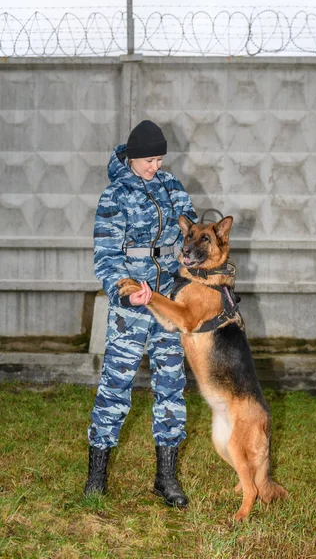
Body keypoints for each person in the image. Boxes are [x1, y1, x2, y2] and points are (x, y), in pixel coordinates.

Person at [84, 120, 197, 508]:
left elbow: (190, 231)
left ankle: (165, 478)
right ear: (132, 157)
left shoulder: (171, 187)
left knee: (171, 386)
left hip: (167, 302)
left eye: (161, 158)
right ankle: (96, 477)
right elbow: (106, 258)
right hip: (132, 304)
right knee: (115, 387)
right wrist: (127, 293)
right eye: (151, 159)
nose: (156, 166)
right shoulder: (114, 196)